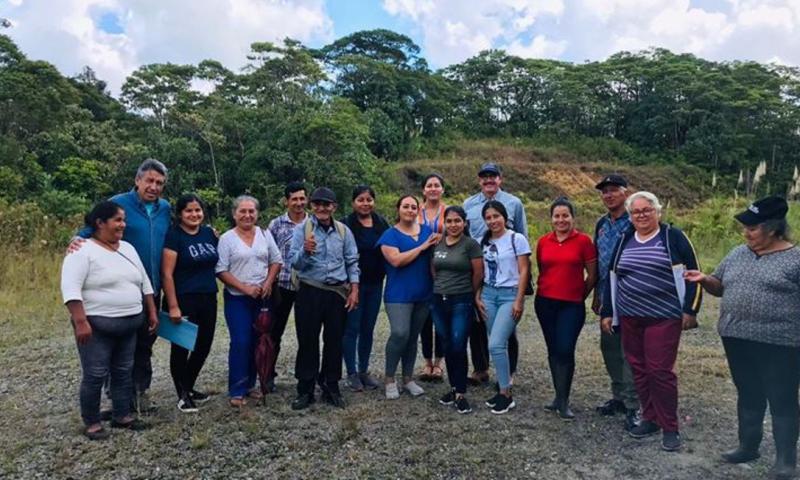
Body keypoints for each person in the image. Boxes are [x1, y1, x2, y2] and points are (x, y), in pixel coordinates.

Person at [685, 196, 799, 479]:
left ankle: (786, 460)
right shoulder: (737, 253)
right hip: (736, 337)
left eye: (753, 228)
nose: (746, 233)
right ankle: (748, 447)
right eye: (745, 227)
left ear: (773, 228)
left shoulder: (796, 258)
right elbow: (720, 287)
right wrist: (703, 279)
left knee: (782, 398)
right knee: (748, 392)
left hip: (780, 342)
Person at [600, 191, 701, 452]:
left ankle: (670, 426)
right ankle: (650, 418)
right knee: (639, 368)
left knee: (660, 371)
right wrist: (608, 312)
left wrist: (690, 309)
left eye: (647, 210)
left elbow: (693, 273)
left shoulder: (672, 237)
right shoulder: (624, 239)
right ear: (630, 216)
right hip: (631, 316)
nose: (642, 215)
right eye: (636, 212)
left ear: (658, 212)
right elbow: (612, 277)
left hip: (664, 317)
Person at [73, 158, 170, 412]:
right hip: (118, 289)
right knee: (116, 348)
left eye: (159, 183)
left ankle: (139, 393)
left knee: (146, 343)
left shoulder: (165, 208)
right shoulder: (119, 204)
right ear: (137, 180)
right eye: (149, 180)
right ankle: (116, 397)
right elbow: (91, 227)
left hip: (151, 287)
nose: (154, 186)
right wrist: (76, 239)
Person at [61, 201, 159, 439]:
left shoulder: (127, 248)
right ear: (100, 223)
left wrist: (152, 311)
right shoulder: (82, 250)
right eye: (117, 220)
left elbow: (144, 281)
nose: (122, 225)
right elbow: (70, 287)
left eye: (124, 220)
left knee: (124, 371)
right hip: (97, 326)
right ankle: (92, 422)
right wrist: (80, 321)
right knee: (95, 373)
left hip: (130, 323)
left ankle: (121, 415)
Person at [287, 187, 360, 410]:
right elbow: (294, 262)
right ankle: (305, 388)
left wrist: (354, 289)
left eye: (326, 204)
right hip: (310, 290)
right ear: (312, 206)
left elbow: (352, 261)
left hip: (337, 293)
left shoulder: (344, 232)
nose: (321, 208)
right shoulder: (303, 230)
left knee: (334, 341)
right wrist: (305, 251)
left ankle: (331, 385)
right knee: (307, 340)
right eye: (317, 204)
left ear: (334, 207)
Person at [215, 195, 282, 407]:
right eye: (242, 211)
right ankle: (237, 388)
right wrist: (244, 288)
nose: (247, 215)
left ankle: (252, 384)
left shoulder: (265, 234)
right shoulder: (227, 238)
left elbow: (276, 261)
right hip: (238, 298)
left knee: (258, 341)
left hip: (263, 297)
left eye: (251, 211)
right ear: (234, 214)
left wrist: (269, 282)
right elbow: (221, 269)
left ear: (257, 213)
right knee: (241, 341)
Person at [463, 162, 526, 385]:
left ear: (501, 178)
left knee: (507, 325)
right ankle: (480, 368)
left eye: (493, 176)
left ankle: (508, 372)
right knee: (477, 321)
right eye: (484, 177)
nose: (489, 180)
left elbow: (521, 234)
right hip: (478, 268)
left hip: (506, 272)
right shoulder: (468, 204)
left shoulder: (514, 203)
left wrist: (522, 282)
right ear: (479, 180)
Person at [535, 197, 597, 420]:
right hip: (545, 302)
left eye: (565, 215)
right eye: (557, 216)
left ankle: (565, 399)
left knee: (565, 349)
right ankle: (558, 396)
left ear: (572, 217)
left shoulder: (583, 241)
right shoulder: (543, 241)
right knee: (553, 350)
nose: (561, 220)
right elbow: (542, 268)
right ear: (551, 219)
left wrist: (581, 294)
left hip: (571, 304)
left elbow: (592, 274)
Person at [161, 193, 219, 413]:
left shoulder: (209, 234)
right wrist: (173, 305)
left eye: (198, 210)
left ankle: (189, 385)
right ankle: (182, 394)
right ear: (180, 214)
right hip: (183, 299)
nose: (194, 214)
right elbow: (167, 274)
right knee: (182, 347)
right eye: (189, 211)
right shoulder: (174, 236)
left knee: (204, 345)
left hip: (208, 297)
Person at [591, 174, 640, 430]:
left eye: (613, 190)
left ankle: (635, 406)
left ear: (625, 192)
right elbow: (598, 259)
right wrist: (597, 295)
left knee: (630, 352)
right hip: (606, 296)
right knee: (609, 348)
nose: (608, 195)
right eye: (604, 192)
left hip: (631, 295)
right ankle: (619, 397)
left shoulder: (636, 221)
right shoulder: (602, 223)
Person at [378, 194, 439, 400]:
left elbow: (434, 259)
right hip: (398, 295)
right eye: (406, 206)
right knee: (400, 333)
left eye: (414, 207)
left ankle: (408, 378)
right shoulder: (389, 235)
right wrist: (422, 247)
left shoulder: (427, 231)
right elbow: (395, 260)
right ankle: (389, 379)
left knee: (413, 337)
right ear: (399, 209)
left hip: (423, 293)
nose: (410, 210)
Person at [476, 200, 531, 415]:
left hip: (509, 295)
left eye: (496, 216)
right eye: (488, 218)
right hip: (489, 294)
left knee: (496, 344)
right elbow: (481, 273)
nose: (492, 221)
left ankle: (506, 393)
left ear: (505, 217)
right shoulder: (484, 241)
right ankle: (502, 389)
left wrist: (519, 300)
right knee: (497, 344)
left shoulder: (517, 239)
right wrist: (478, 296)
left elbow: (524, 271)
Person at [431, 206, 484, 414]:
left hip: (461, 300)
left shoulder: (470, 245)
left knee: (458, 344)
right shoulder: (438, 243)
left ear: (465, 223)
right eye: (450, 221)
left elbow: (478, 273)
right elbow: (433, 269)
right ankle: (453, 388)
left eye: (457, 221)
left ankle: (461, 392)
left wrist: (467, 293)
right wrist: (442, 287)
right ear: (445, 223)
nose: (453, 225)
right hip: (438, 299)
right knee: (446, 344)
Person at [342, 185, 390, 391]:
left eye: (369, 199)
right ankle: (351, 372)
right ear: (353, 202)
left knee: (368, 329)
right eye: (360, 200)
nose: (365, 203)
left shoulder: (381, 224)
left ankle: (364, 370)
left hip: (376, 283)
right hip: (353, 285)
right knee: (351, 328)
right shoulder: (345, 225)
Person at [267, 181, 309, 392]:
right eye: (295, 199)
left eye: (302, 198)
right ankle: (267, 374)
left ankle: (305, 376)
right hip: (282, 284)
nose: (299, 203)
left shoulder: (314, 223)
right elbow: (268, 254)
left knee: (307, 334)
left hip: (308, 286)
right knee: (274, 332)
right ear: (286, 201)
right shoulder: (276, 225)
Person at [418, 173, 447, 381]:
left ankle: (439, 362)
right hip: (419, 266)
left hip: (443, 267)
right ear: (423, 190)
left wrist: (443, 235)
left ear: (442, 189)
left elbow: (460, 231)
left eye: (437, 185)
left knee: (441, 316)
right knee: (424, 317)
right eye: (429, 185)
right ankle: (427, 360)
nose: (433, 188)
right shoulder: (415, 210)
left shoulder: (449, 211)